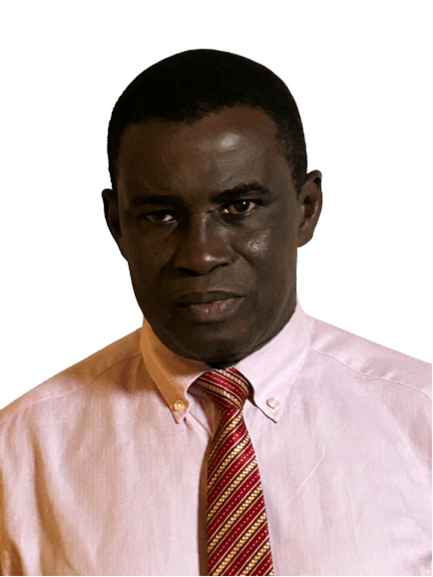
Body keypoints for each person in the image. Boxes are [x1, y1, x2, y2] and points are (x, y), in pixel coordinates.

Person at [0, 49, 430, 576]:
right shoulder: (18, 455)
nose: (200, 254)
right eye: (160, 215)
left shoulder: (422, 422)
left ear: (307, 209)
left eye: (239, 207)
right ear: (117, 225)